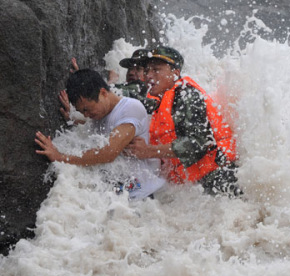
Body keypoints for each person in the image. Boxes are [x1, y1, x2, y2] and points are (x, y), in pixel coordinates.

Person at [125, 45, 242, 197]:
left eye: (156, 70)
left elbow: (197, 143)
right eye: (147, 70)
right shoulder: (158, 101)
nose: (149, 75)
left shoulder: (187, 95)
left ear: (175, 72)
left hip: (219, 178)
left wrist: (148, 151)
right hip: (195, 187)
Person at [36, 69, 165, 200]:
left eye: (86, 109)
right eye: (82, 111)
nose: (86, 115)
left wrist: (61, 158)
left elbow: (108, 153)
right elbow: (95, 131)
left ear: (103, 93)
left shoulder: (131, 108)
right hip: (117, 194)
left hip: (141, 195)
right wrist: (71, 118)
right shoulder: (99, 115)